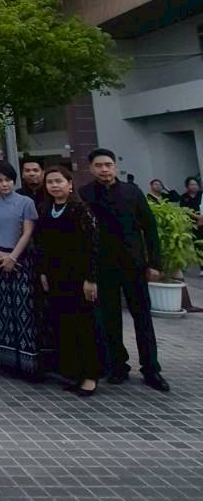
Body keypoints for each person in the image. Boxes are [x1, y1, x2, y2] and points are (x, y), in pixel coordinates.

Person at [80, 148, 169, 391]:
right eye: (99, 166)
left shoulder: (132, 192)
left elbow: (150, 228)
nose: (104, 170)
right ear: (91, 168)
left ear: (115, 167)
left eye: (108, 165)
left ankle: (151, 369)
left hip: (134, 265)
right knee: (110, 319)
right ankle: (118, 366)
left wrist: (154, 263)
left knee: (143, 318)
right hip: (104, 267)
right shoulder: (85, 194)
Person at [37, 166, 100, 396]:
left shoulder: (80, 209)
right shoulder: (46, 210)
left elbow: (93, 245)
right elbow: (42, 245)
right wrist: (43, 273)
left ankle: (90, 376)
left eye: (59, 181)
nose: (54, 185)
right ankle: (75, 372)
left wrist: (91, 278)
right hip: (56, 277)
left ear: (70, 184)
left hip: (79, 277)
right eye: (50, 182)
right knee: (64, 324)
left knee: (85, 325)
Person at [0, 162, 41, 380]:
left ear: (14, 181)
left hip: (21, 261)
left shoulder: (26, 202)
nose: (4, 184)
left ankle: (27, 362)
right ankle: (4, 360)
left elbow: (28, 232)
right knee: (1, 310)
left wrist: (13, 257)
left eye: (7, 180)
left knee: (23, 310)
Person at [179, 177, 203, 274]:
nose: (194, 186)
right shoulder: (184, 197)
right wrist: (198, 217)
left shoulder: (202, 195)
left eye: (195, 184)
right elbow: (184, 210)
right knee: (198, 245)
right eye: (191, 184)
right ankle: (202, 267)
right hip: (193, 225)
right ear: (187, 186)